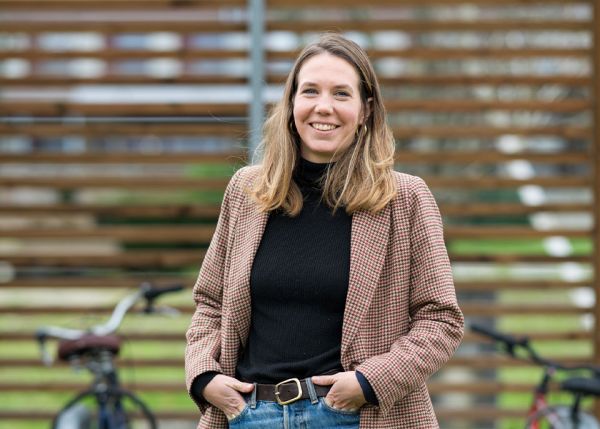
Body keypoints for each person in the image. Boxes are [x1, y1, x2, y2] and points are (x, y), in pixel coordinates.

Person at [185, 32, 464, 429]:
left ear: (366, 109)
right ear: (291, 104)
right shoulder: (247, 192)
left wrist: (369, 382)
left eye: (341, 94)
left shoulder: (406, 199)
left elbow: (441, 320)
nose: (324, 107)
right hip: (249, 415)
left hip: (356, 414)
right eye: (311, 91)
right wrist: (204, 378)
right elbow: (210, 304)